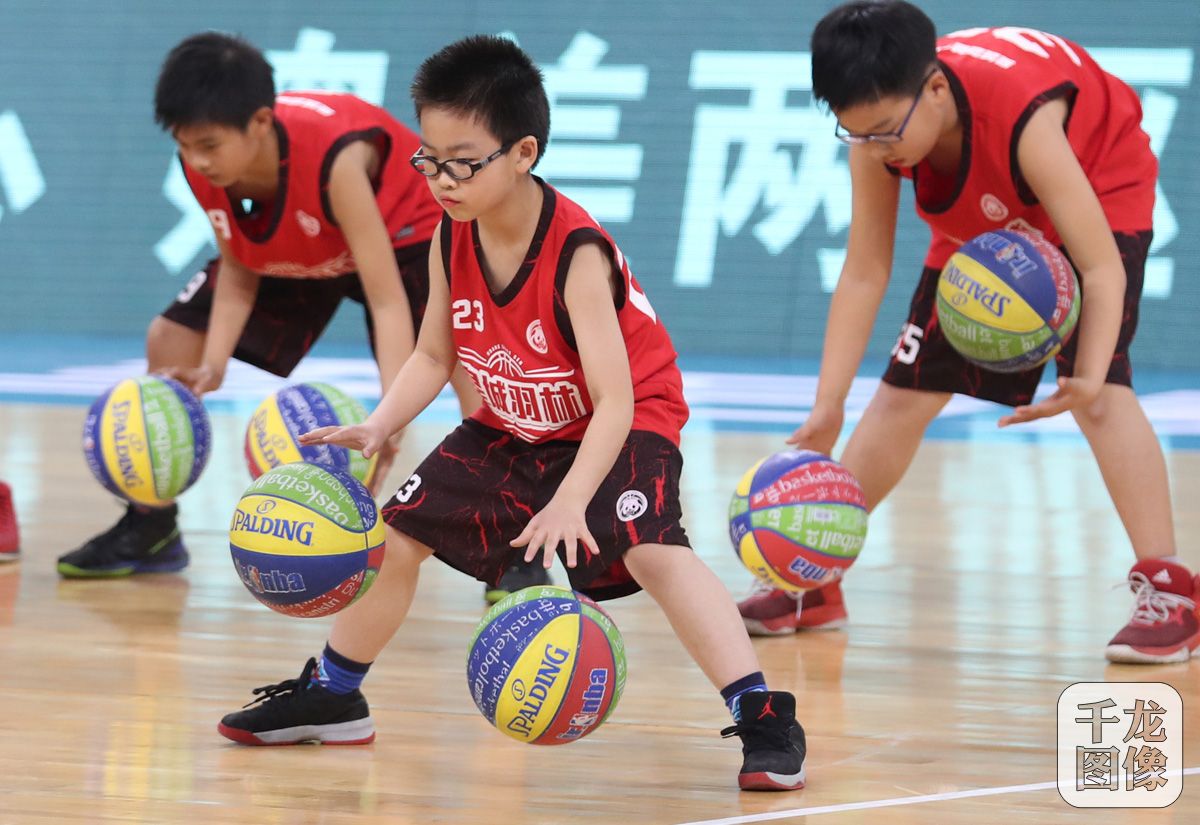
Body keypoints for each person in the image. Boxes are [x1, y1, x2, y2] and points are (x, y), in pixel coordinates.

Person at [216, 35, 808, 791]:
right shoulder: (447, 231)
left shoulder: (576, 251)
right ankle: (334, 693)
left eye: (463, 160)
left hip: (622, 418)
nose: (441, 178)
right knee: (393, 538)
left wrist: (567, 503)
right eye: (428, 157)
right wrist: (381, 422)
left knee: (650, 550)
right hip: (513, 418)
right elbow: (435, 355)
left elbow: (618, 398)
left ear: (523, 151)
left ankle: (762, 712)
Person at [739, 0, 1196, 665]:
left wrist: (1090, 370)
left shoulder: (1023, 119)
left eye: (884, 132)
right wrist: (828, 402)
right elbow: (866, 268)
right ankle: (816, 574)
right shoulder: (879, 128)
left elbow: (1099, 266)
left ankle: (1172, 592)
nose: (874, 150)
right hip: (985, 215)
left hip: (1097, 182)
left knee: (1099, 395)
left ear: (933, 88)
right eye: (854, 135)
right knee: (902, 392)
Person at [55, 32, 547, 595]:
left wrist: (388, 420)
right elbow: (241, 260)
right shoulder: (204, 162)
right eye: (185, 144)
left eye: (209, 145)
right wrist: (212, 365)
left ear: (261, 122)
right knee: (171, 336)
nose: (196, 159)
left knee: (469, 370)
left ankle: (513, 548)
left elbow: (386, 298)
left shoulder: (333, 157)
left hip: (402, 237)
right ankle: (152, 526)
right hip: (306, 245)